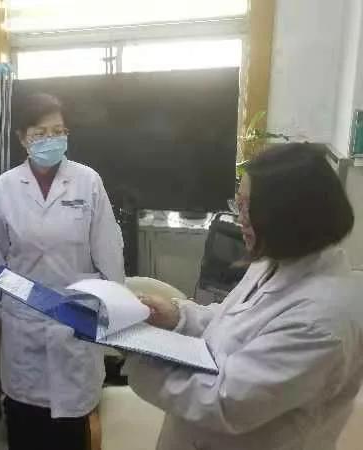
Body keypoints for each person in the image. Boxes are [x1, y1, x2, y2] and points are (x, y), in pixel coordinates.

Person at [126, 142, 363, 450]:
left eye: (249, 207)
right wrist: (178, 316)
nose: (240, 218)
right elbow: (231, 322)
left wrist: (139, 356)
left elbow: (224, 401)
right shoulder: (277, 259)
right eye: (239, 203)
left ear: (288, 216)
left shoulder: (322, 321)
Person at [0, 92, 125, 450]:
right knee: (26, 428)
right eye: (40, 133)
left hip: (74, 320)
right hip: (24, 324)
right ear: (22, 138)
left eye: (58, 131)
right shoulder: (6, 187)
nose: (51, 140)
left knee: (71, 432)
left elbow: (109, 253)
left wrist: (115, 312)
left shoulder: (87, 182)